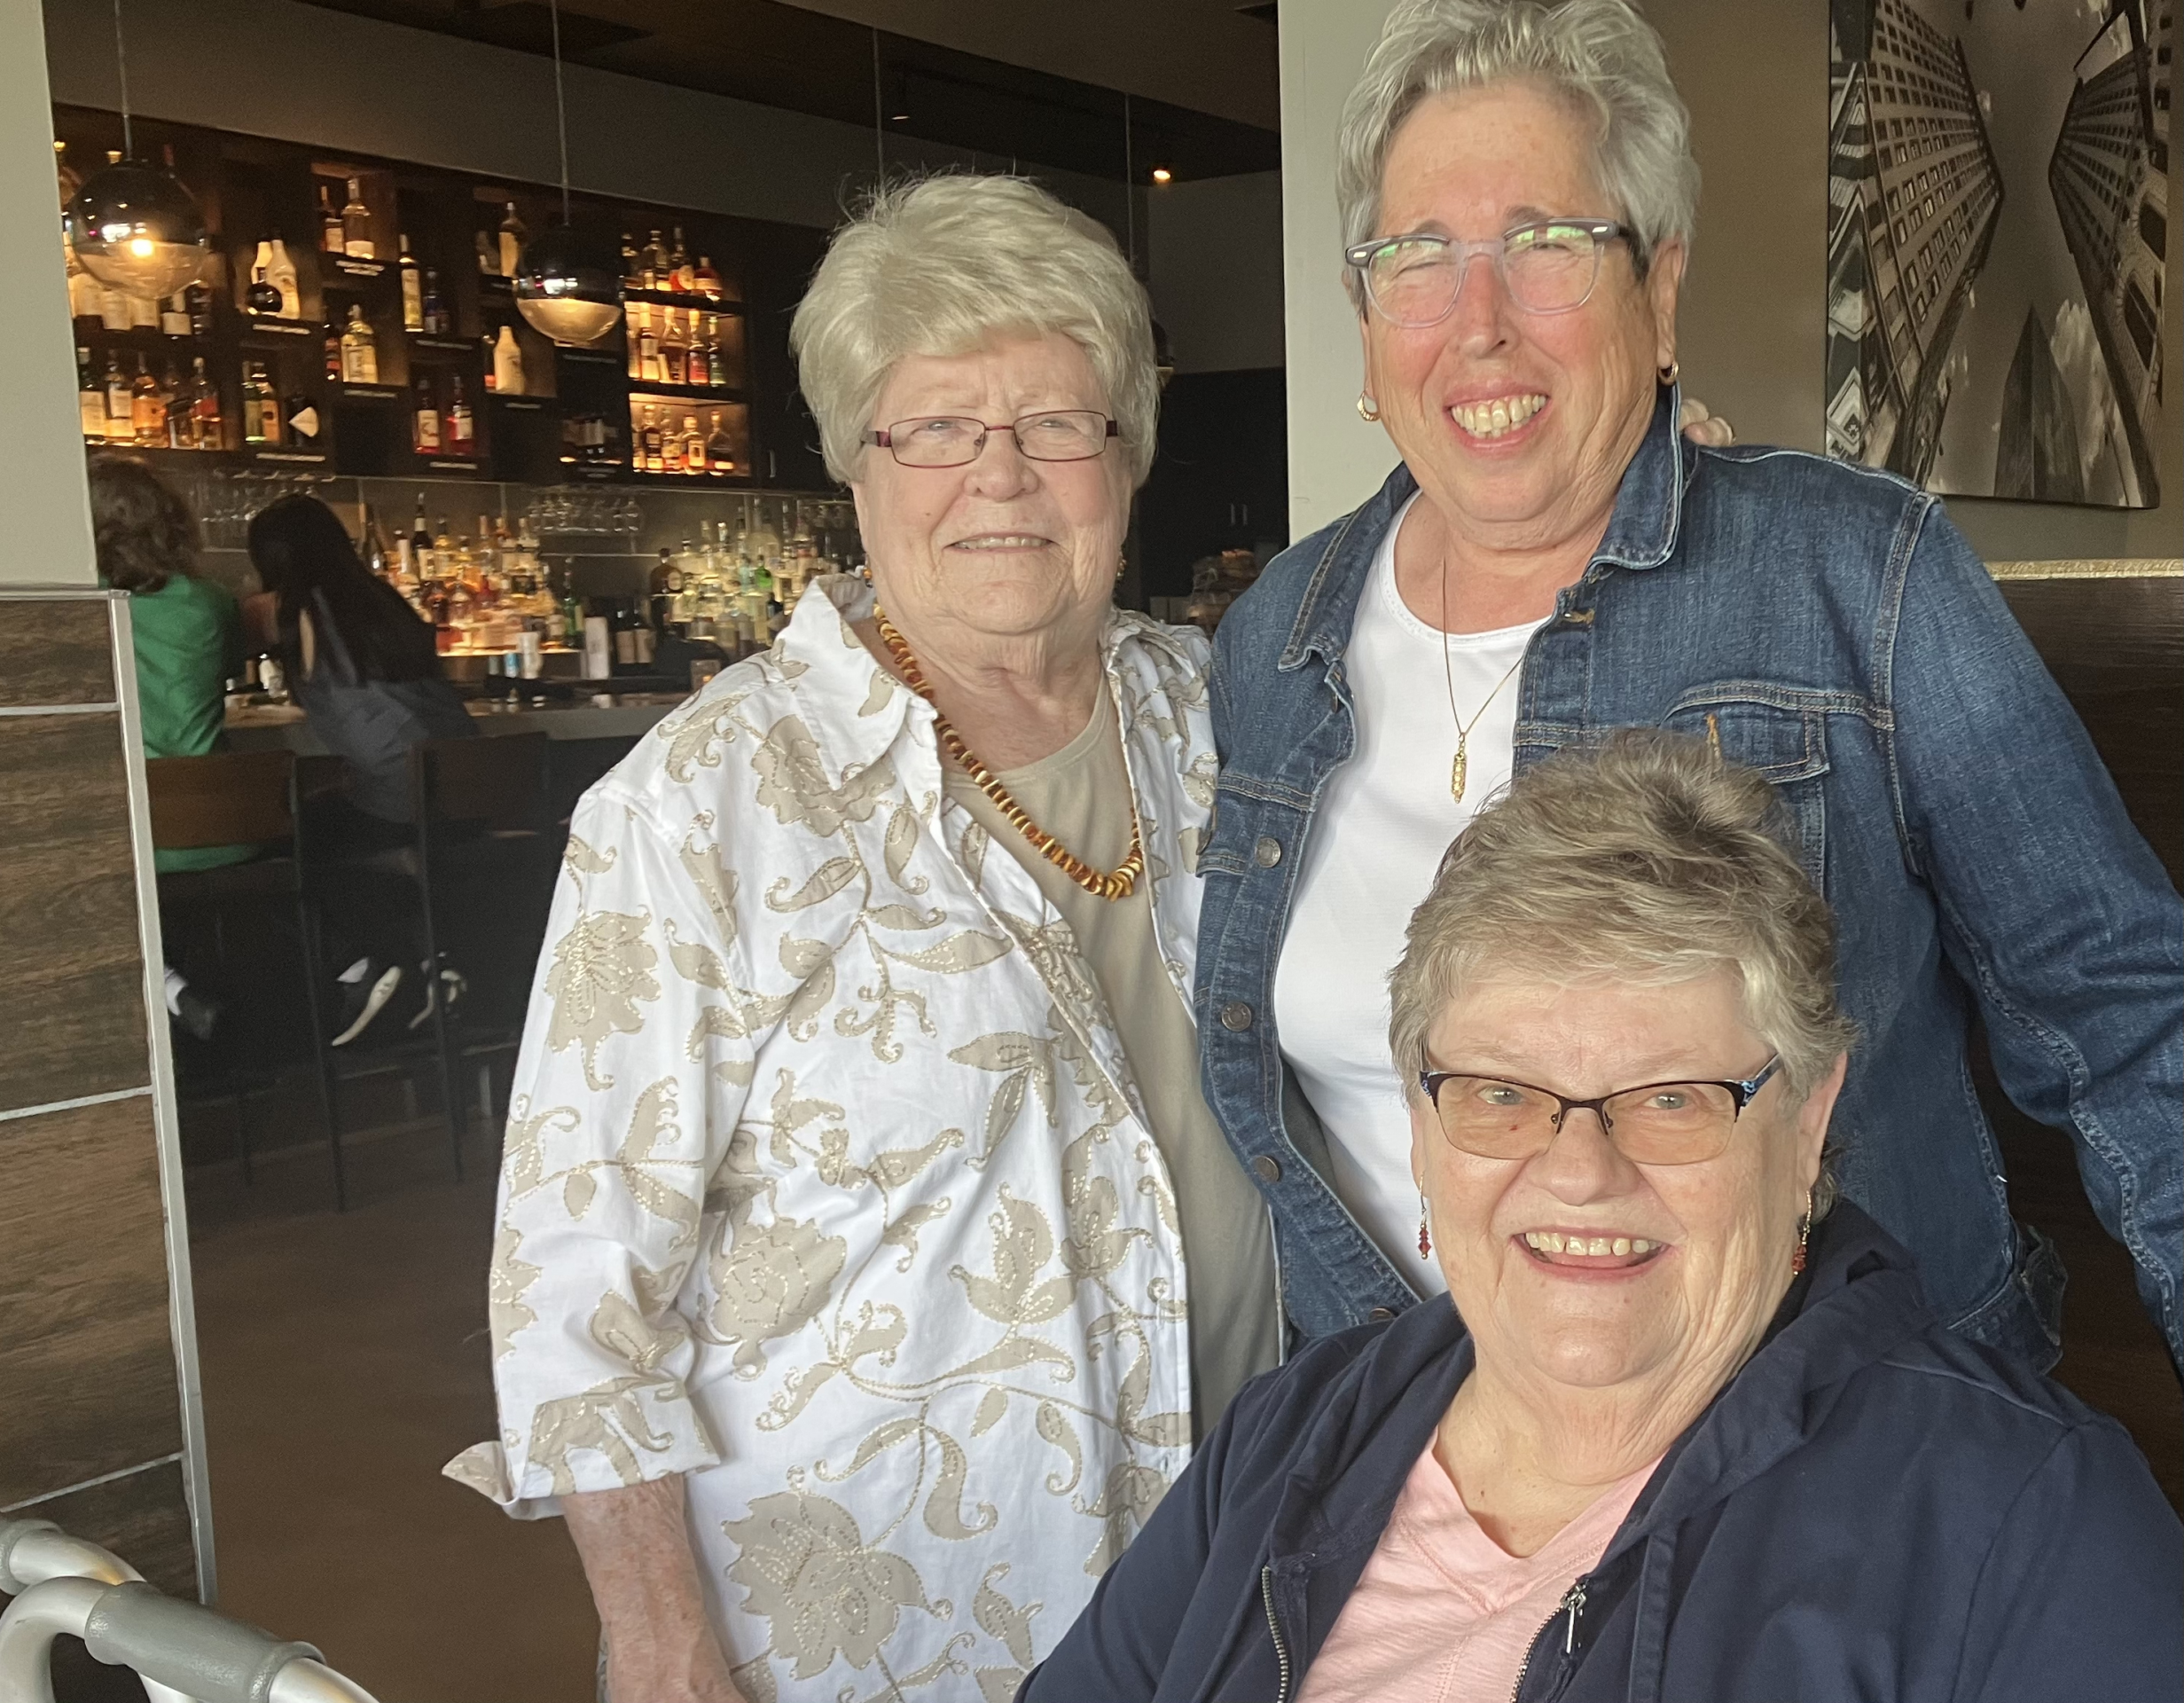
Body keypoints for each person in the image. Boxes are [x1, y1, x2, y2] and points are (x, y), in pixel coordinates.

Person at [1195, 0, 2181, 1372]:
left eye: (1546, 247)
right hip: (1424, 1441)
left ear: (1659, 294)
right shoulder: (1271, 640)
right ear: (1367, 320)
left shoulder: (1857, 572)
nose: (1479, 326)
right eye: (1419, 258)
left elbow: (2127, 1023)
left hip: (1838, 1435)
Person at [445, 174, 1281, 1703]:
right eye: (937, 427)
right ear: (857, 464)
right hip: (888, 1620)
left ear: (1128, 455)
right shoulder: (708, 803)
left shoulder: (1215, 714)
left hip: (1239, 1550)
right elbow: (577, 1281)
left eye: (1057, 423)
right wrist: (659, 1641)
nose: (1000, 477)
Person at [1029, 733, 2184, 1701]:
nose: (1579, 1171)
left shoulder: (2029, 1520)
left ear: (1807, 1119)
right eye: (1500, 1094)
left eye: (1670, 1098)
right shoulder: (1287, 1436)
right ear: (1422, 1123)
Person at [246, 493, 475, 1043]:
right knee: (336, 815)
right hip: (469, 791)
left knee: (279, 841)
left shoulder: (293, 609)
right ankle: (430, 963)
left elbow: (221, 634)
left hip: (401, 802)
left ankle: (368, 964)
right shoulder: (383, 599)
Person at [88, 453, 250, 1039]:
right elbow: (231, 674)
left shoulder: (85, 606)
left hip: (139, 838)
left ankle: (169, 986)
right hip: (228, 824)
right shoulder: (209, 601)